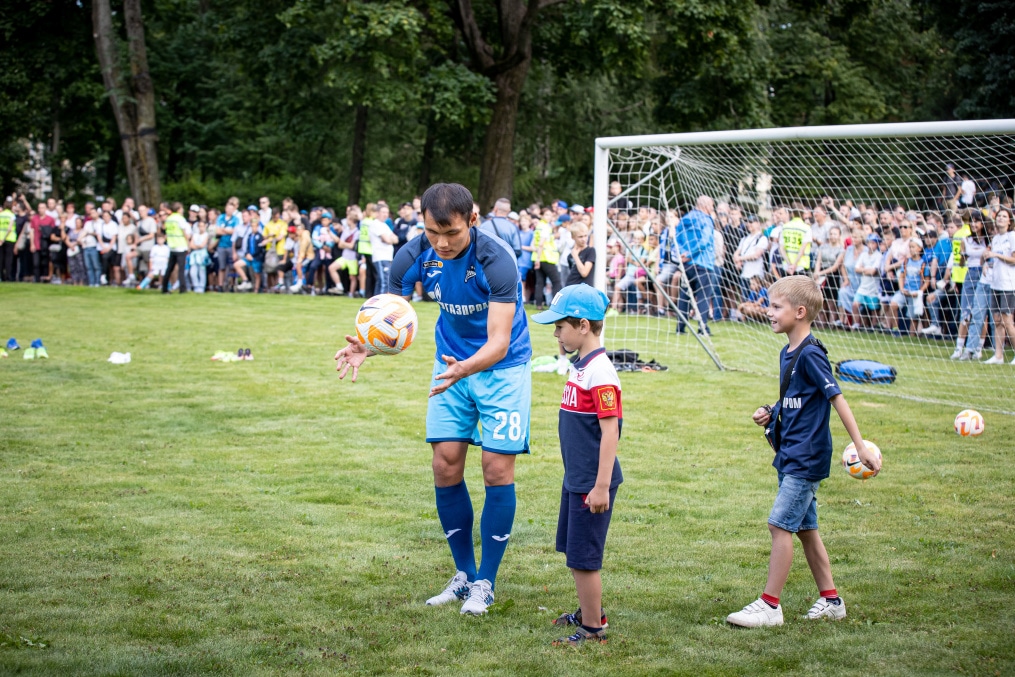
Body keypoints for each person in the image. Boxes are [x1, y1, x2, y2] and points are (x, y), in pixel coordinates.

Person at [334, 182, 532, 616]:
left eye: (452, 234)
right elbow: (391, 317)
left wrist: (465, 367)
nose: (441, 243)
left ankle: (487, 581)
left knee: (496, 467)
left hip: (502, 369)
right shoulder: (411, 255)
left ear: (472, 221)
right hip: (450, 367)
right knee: (445, 464)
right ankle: (463, 574)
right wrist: (369, 345)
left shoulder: (497, 261)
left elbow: (498, 342)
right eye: (431, 232)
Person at [726, 275, 880, 628]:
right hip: (790, 452)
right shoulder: (788, 351)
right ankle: (831, 600)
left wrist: (860, 446)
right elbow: (797, 398)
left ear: (799, 312)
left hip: (806, 458)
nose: (768, 311)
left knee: (778, 525)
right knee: (806, 529)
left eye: (776, 306)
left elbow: (835, 398)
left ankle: (769, 606)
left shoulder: (811, 353)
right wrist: (772, 410)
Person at [530, 285, 621, 647]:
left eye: (560, 327)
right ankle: (588, 612)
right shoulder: (582, 364)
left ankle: (593, 628)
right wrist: (566, 344)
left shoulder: (601, 372)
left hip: (591, 482)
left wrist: (600, 486)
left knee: (584, 558)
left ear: (583, 326)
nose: (555, 334)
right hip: (577, 477)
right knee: (573, 551)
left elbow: (610, 430)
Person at [675, 195, 716, 335]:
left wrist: (683, 254)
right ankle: (702, 328)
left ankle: (680, 328)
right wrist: (690, 254)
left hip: (687, 265)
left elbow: (676, 238)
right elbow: (705, 242)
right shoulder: (706, 219)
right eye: (711, 205)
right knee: (703, 296)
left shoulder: (685, 218)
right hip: (703, 263)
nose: (712, 208)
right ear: (705, 206)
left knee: (684, 296)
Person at [982, 208, 1015, 364]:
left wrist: (996, 255)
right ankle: (998, 356)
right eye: (999, 216)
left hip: (1008, 285)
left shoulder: (1012, 236)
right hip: (995, 283)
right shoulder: (995, 239)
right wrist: (986, 264)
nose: (1001, 218)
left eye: (1004, 216)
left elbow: (1013, 260)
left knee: (1008, 321)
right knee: (997, 320)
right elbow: (993, 260)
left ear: (1009, 221)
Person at [161, 202, 190, 293]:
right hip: (180, 245)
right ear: (178, 209)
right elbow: (184, 232)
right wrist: (188, 244)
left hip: (172, 245)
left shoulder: (169, 219)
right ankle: (182, 289)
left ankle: (164, 288)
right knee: (181, 269)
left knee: (169, 268)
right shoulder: (180, 219)